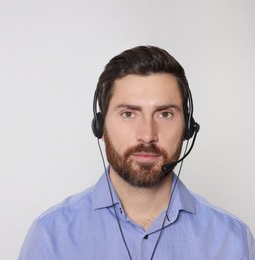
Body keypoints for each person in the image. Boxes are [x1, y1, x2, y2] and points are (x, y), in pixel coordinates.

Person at [18, 46, 255, 259]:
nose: (147, 134)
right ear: (100, 126)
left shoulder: (232, 240)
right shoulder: (50, 236)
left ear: (188, 127)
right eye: (129, 114)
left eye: (165, 114)